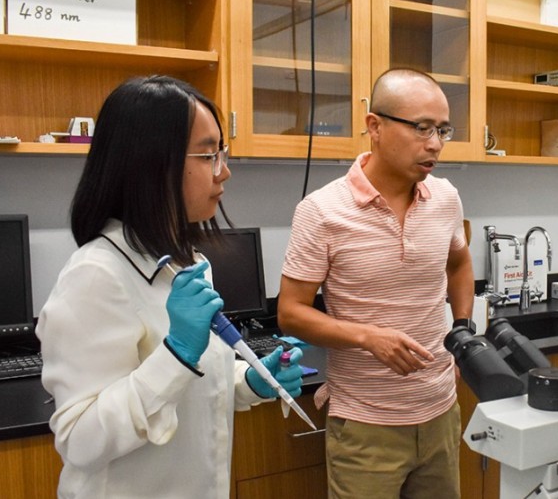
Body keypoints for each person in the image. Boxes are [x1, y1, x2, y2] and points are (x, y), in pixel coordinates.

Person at [36, 75, 304, 499]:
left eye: (222, 152)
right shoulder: (94, 276)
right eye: (209, 154)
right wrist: (176, 352)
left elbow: (194, 388)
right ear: (151, 162)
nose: (225, 171)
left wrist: (247, 382)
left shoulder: (188, 261)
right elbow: (80, 440)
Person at [277, 68, 475, 498]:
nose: (436, 144)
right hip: (366, 425)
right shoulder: (321, 211)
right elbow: (290, 312)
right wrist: (368, 337)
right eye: (422, 128)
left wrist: (461, 329)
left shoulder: (445, 197)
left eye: (443, 130)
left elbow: (458, 263)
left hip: (440, 411)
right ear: (374, 126)